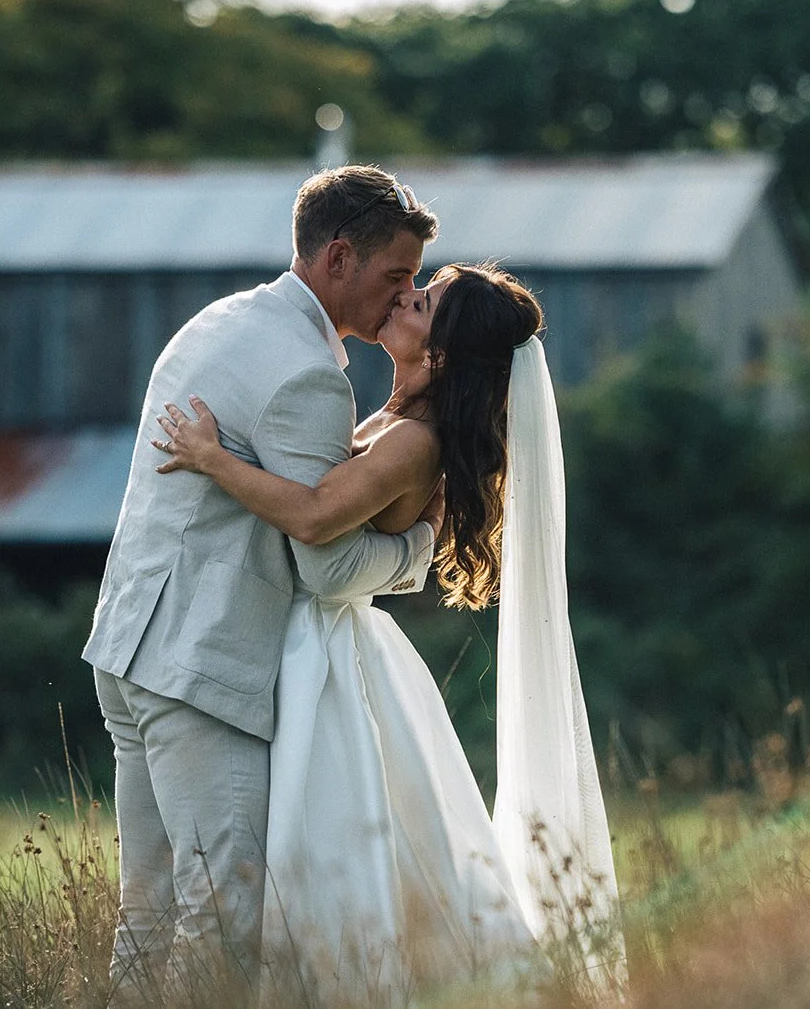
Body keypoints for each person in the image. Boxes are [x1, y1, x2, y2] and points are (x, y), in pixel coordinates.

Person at [153, 263, 624, 1002]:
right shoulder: (398, 417)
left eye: (423, 301)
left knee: (325, 869)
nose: (404, 295)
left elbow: (312, 515)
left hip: (330, 663)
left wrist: (213, 459)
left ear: (441, 356)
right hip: (316, 643)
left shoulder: (413, 440)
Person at [80, 165, 441, 1006]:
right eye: (396, 276)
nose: (405, 295)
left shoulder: (220, 322)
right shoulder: (310, 377)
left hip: (127, 649)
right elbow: (323, 560)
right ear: (339, 257)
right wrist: (417, 551)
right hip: (201, 671)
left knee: (148, 909)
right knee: (224, 909)